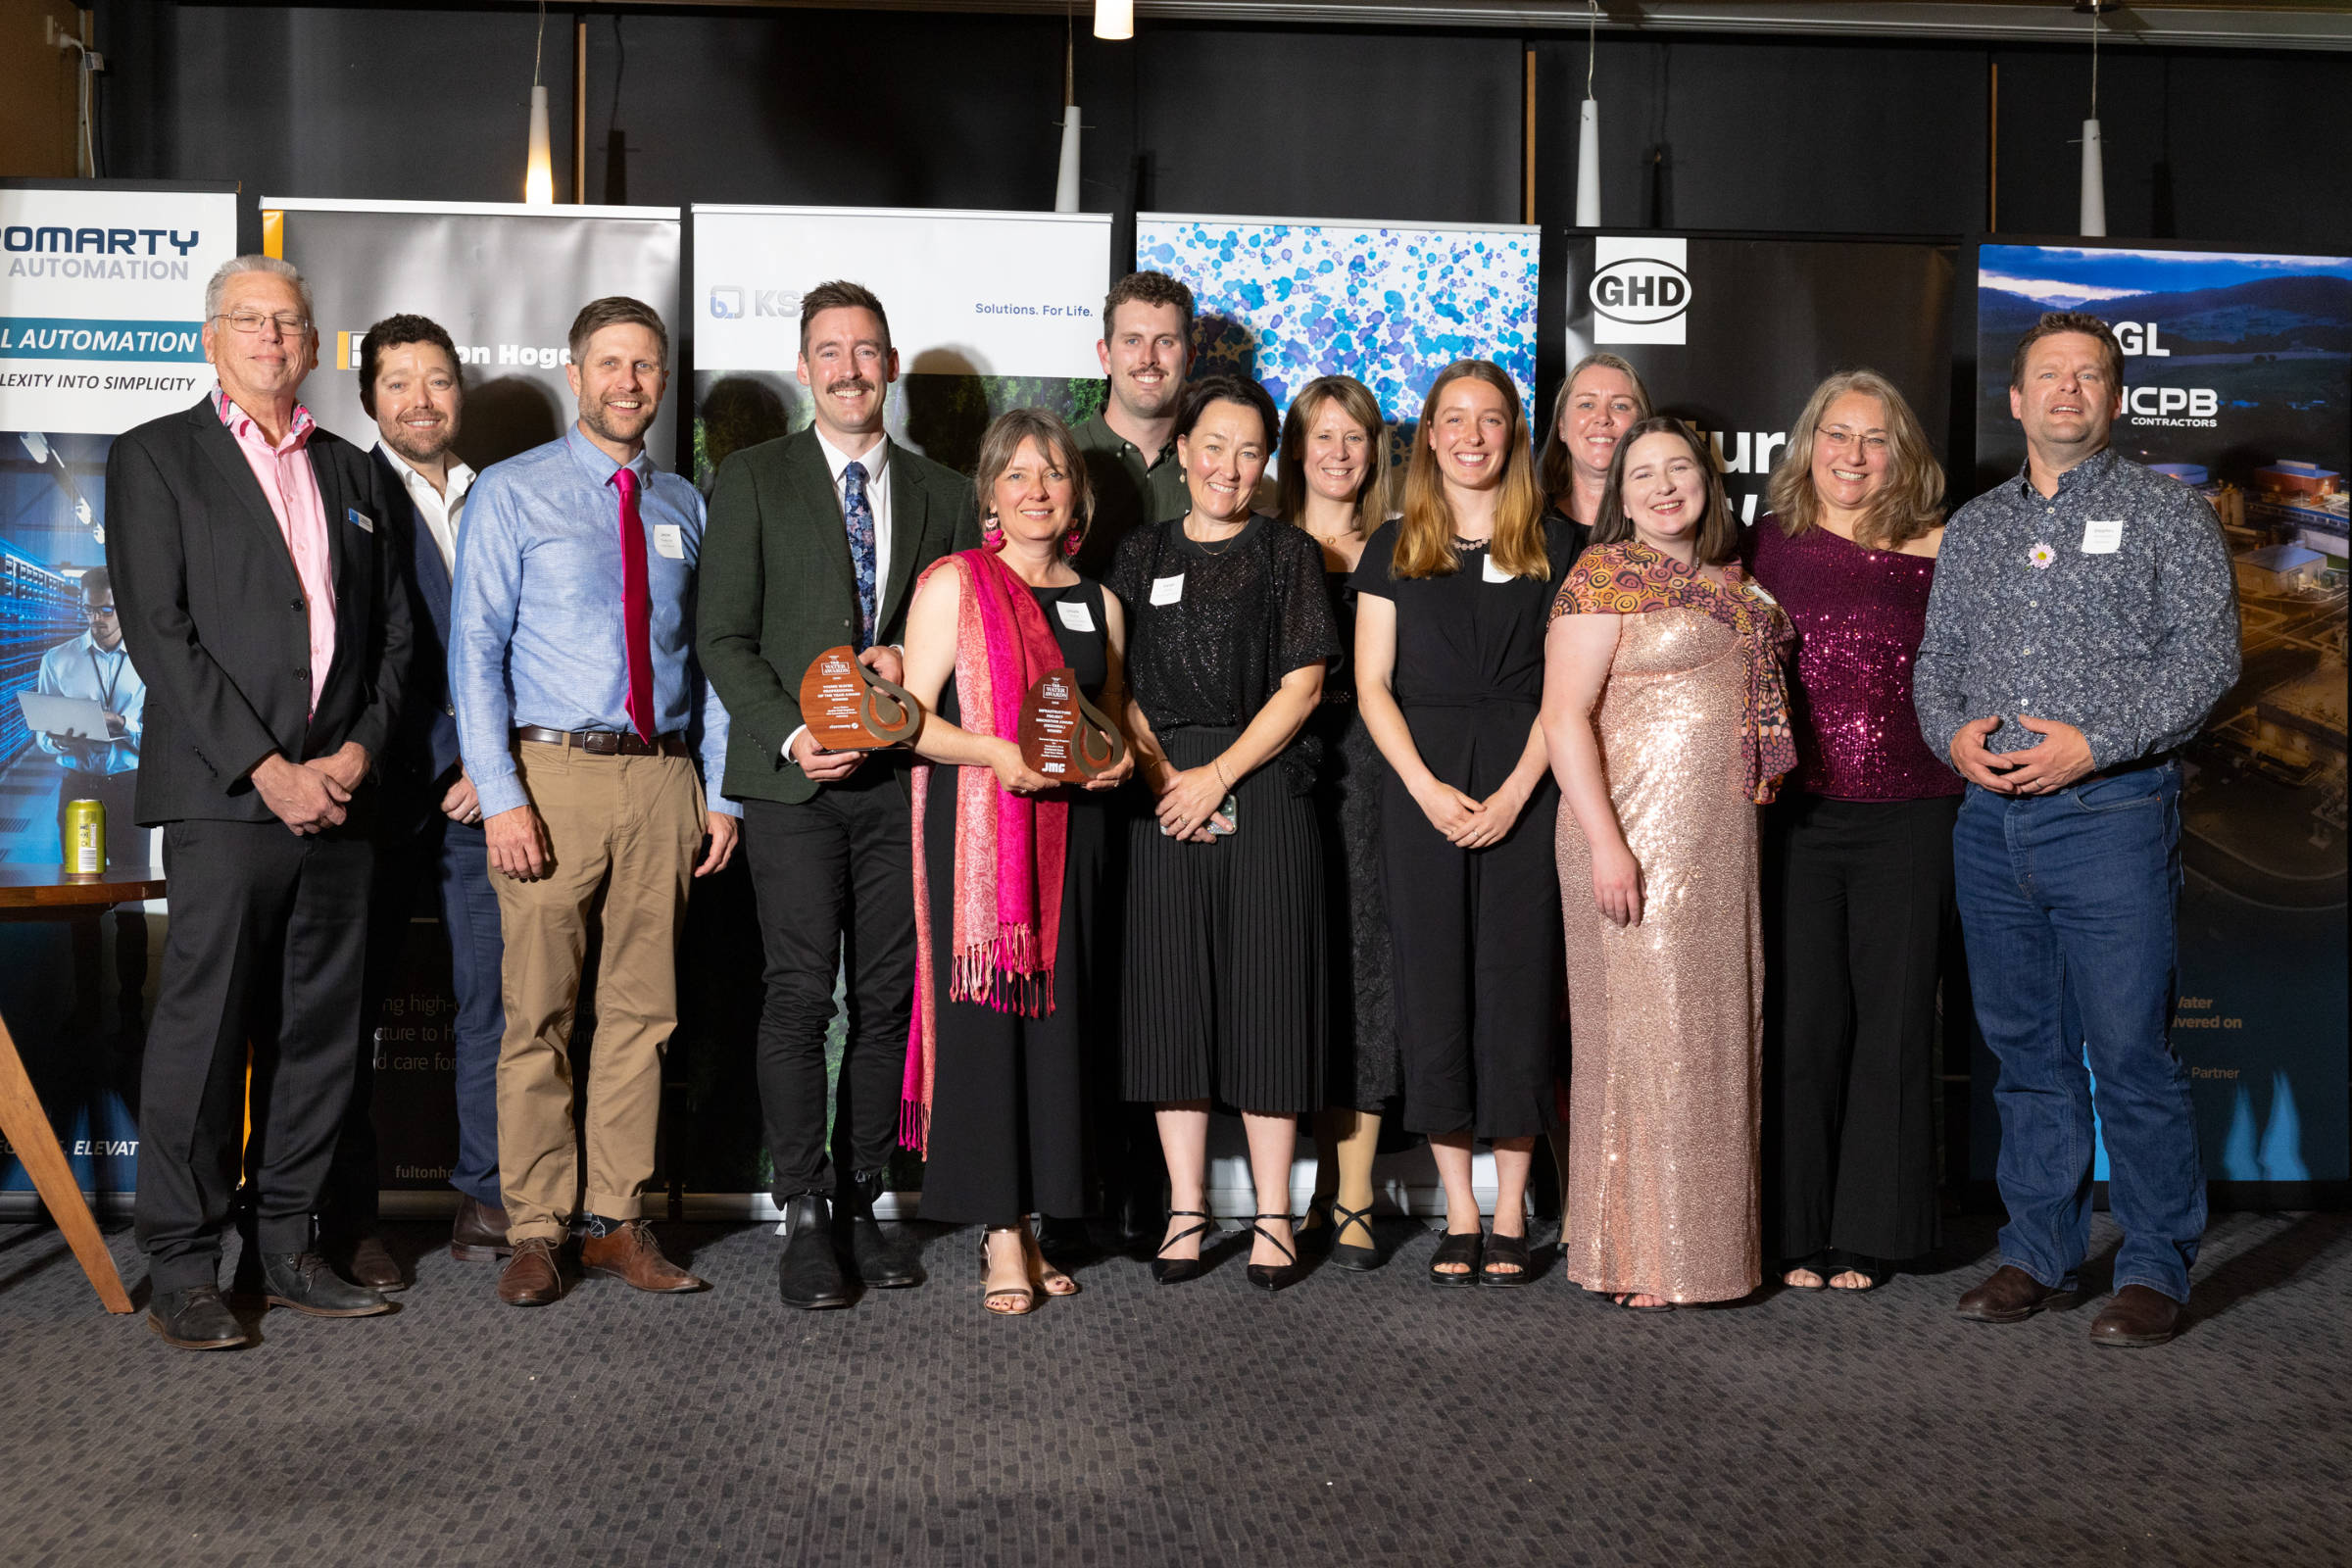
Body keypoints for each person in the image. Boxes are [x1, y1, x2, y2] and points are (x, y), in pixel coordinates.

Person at [106, 254, 411, 1349]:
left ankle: (285, 1247)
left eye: (289, 322)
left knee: (320, 1036)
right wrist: (268, 768)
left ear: (314, 344)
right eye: (250, 320)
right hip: (226, 798)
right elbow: (160, 633)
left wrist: (358, 755)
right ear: (211, 339)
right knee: (206, 1030)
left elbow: (395, 639)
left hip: (340, 801)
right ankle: (184, 1266)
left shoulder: (354, 471)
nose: (272, 338)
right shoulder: (155, 456)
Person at [1919, 313, 2238, 1348]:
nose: (2068, 389)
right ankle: (2037, 1252)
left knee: (2131, 1053)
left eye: (2088, 375)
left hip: (2112, 815)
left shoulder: (2167, 515)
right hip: (1989, 823)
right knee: (2026, 1055)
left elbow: (2208, 663)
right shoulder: (1977, 527)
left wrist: (2094, 745)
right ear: (2017, 400)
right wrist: (1950, 734)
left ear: (2115, 399)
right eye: (2049, 374)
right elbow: (1937, 661)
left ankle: (2152, 1267)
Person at [451, 295, 740, 1308]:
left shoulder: (683, 504)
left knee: (642, 1013)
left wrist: (719, 790)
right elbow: (474, 652)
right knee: (538, 1012)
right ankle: (535, 1228)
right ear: (575, 375)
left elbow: (710, 658)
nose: (629, 382)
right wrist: (501, 796)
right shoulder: (512, 492)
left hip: (664, 779)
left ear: (663, 382)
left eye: (646, 365)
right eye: (610, 364)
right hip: (551, 777)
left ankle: (616, 1219)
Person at [698, 279, 978, 1310]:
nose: (850, 369)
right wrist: (792, 731)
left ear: (890, 366)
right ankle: (803, 1208)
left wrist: (913, 664)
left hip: (903, 781)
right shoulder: (752, 478)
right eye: (830, 351)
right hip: (792, 782)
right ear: (804, 367)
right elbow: (723, 635)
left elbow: (964, 635)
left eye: (867, 351)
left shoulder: (946, 492)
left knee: (889, 997)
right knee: (799, 993)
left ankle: (862, 1195)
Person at [1541, 416, 1795, 1310]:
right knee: (1645, 1039)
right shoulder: (1602, 574)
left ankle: (1706, 1253)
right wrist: (1607, 843)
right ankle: (1638, 1254)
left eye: (1678, 468)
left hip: (1721, 841)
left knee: (1713, 1037)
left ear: (1707, 481)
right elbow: (1563, 718)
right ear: (1620, 495)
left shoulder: (1734, 580)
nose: (1663, 486)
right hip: (1631, 837)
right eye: (1641, 473)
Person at [897, 409, 1134, 1314]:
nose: (1038, 490)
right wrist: (997, 755)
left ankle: (1035, 1222)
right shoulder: (955, 583)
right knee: (990, 1022)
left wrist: (1117, 758)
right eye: (1018, 475)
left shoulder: (1099, 601)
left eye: (1055, 474)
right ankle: (999, 1230)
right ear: (990, 495)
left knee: (1057, 1028)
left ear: (1078, 495)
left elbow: (1110, 714)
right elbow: (908, 720)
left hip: (1077, 835)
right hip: (981, 831)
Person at [1108, 374, 1338, 1295]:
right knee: (1172, 1001)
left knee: (1269, 997)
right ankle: (1187, 1209)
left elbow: (1304, 686)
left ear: (1266, 461)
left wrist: (1218, 778)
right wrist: (1167, 779)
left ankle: (1275, 1214)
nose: (1229, 467)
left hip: (1265, 784)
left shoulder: (1288, 553)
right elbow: (1114, 683)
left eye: (1249, 451)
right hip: (1161, 790)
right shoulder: (1140, 551)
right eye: (1213, 446)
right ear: (1184, 450)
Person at [1354, 361, 1570, 1288]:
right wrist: (1426, 787)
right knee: (1433, 987)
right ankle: (1461, 1208)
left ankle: (1512, 1210)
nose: (1472, 436)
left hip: (1530, 782)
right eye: (1454, 419)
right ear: (1430, 436)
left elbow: (1569, 692)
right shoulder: (1394, 544)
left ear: (1513, 434)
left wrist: (1519, 791)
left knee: (1518, 989)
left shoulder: (1558, 543)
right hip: (1422, 789)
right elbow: (1371, 684)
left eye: (1490, 419)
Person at [1749, 369, 1957, 1296]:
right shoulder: (1764, 545)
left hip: (1914, 810)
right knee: (1803, 1023)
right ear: (1809, 444)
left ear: (1901, 454)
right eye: (1838, 433)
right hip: (1797, 814)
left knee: (1897, 1020)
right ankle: (1795, 1228)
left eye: (1875, 438)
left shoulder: (1945, 547)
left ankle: (1873, 1230)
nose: (1854, 454)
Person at [321, 313, 509, 1288]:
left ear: (459, 393)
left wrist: (497, 764)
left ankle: (487, 1194)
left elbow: (535, 638)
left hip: (486, 794)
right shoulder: (338, 491)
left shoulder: (501, 495)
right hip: (376, 795)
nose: (420, 400)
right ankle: (350, 1216)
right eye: (398, 382)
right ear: (368, 399)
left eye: (437, 379)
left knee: (497, 1003)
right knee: (347, 1012)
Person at [1278, 375, 1398, 1272]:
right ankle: (1306, 1184)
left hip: (1372, 779)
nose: (1339, 452)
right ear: (1297, 448)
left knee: (1365, 973)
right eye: (1323, 435)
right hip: (1281, 777)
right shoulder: (1265, 541)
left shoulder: (1402, 546)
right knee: (1295, 973)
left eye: (1354, 437)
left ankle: (1352, 1189)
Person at [33, 565, 150, 1023]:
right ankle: (87, 1008)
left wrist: (123, 725)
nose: (96, 620)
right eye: (88, 611)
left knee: (131, 904)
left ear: (123, 607)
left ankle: (131, 1011)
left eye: (105, 611)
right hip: (79, 790)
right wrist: (57, 740)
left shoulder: (148, 660)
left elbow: (164, 733)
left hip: (128, 789)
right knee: (81, 902)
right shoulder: (58, 660)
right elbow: (42, 736)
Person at [1071, 270, 1195, 576]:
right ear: (1105, 356)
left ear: (1190, 358)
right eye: (1132, 340)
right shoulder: (1060, 459)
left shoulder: (1215, 470)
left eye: (1165, 341)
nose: (1148, 358)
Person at [1538, 352, 1651, 562]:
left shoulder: (1663, 524)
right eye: (1587, 404)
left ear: (1641, 426)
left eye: (1620, 406)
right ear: (1562, 426)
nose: (1602, 418)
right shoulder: (1526, 521)